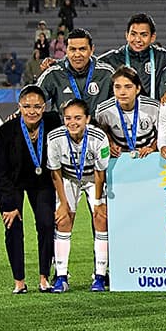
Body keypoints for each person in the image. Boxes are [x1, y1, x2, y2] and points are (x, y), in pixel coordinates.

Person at [0, 86, 61, 293]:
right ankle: (19, 281)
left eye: (37, 106)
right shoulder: (6, 131)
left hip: (41, 182)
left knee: (47, 224)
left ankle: (44, 277)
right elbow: (2, 172)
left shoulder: (53, 122)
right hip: (10, 183)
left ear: (44, 107)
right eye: (27, 106)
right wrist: (10, 204)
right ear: (19, 107)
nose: (32, 111)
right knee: (13, 227)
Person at [45, 99, 112, 292]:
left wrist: (98, 202)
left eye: (77, 118)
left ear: (87, 119)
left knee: (101, 219)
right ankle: (61, 276)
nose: (72, 122)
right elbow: (55, 173)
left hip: (93, 178)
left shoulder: (99, 137)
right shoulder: (55, 137)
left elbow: (100, 173)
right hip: (68, 177)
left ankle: (99, 276)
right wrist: (63, 204)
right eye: (68, 118)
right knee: (64, 221)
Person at [98, 13, 166, 100]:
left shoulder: (165, 58)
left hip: (155, 112)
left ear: (153, 37)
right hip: (122, 112)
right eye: (133, 34)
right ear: (127, 35)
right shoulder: (111, 60)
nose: (138, 40)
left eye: (144, 35)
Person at [37, 29, 115, 113]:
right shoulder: (54, 73)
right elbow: (32, 101)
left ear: (92, 49)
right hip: (65, 125)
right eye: (73, 49)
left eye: (82, 49)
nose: (77, 55)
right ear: (66, 50)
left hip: (98, 126)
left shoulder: (106, 74)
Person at [95, 67, 161, 160]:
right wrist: (109, 145)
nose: (122, 92)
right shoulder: (104, 111)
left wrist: (152, 148)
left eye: (128, 87)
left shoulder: (154, 107)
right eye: (117, 87)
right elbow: (103, 133)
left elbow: (163, 134)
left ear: (138, 89)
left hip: (149, 156)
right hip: (120, 158)